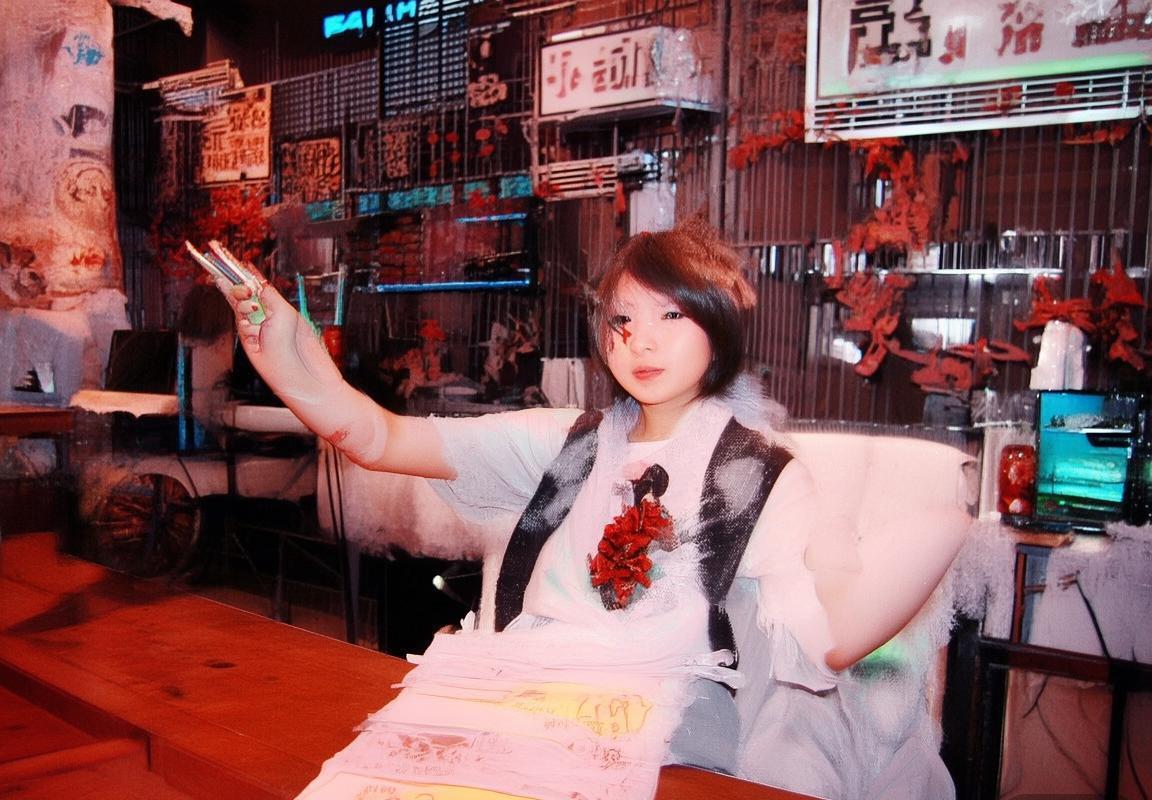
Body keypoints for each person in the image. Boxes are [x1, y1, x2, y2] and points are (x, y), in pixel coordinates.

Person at [214, 218, 970, 799]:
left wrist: (942, 531)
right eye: (624, 320)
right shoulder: (567, 440)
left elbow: (822, 632)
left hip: (667, 731)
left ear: (718, 327)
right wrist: (292, 358)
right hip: (518, 690)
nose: (642, 342)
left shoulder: (756, 472)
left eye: (671, 316)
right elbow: (380, 437)